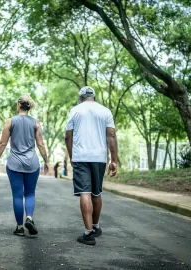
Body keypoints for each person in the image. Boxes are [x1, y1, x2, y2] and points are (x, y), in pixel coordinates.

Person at [65, 86, 118, 245]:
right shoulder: (105, 111)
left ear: (81, 98)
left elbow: (68, 136)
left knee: (84, 192)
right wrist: (113, 160)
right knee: (96, 192)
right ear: (93, 97)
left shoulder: (75, 110)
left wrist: (72, 157)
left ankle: (88, 233)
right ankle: (95, 226)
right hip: (99, 157)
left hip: (81, 157)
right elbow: (112, 135)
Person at [0, 94, 49, 236]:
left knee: (17, 196)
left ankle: (19, 227)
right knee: (30, 193)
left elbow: (2, 143)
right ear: (29, 107)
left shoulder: (10, 122)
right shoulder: (35, 123)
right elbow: (40, 143)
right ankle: (29, 218)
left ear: (18, 105)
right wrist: (46, 160)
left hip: (14, 164)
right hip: (32, 163)